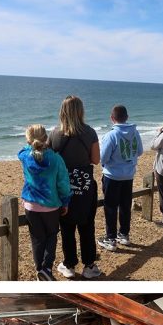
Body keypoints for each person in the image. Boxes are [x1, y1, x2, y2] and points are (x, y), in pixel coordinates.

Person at [48, 95, 102, 279]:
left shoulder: (54, 134)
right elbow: (95, 160)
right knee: (87, 225)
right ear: (81, 111)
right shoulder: (90, 132)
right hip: (85, 186)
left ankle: (69, 264)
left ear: (62, 112)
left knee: (67, 227)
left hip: (63, 187)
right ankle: (89, 265)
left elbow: (49, 161)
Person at [18, 124, 70, 280]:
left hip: (31, 205)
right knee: (51, 235)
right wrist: (65, 201)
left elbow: (22, 151)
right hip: (51, 205)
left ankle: (39, 268)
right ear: (46, 138)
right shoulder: (56, 158)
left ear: (28, 140)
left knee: (37, 238)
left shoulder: (24, 156)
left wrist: (31, 144)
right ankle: (46, 268)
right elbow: (63, 183)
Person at [98, 104, 143, 251]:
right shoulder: (135, 132)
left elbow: (103, 157)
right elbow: (140, 151)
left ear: (112, 118)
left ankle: (110, 238)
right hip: (128, 175)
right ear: (127, 118)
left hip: (112, 175)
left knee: (110, 207)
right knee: (125, 206)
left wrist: (109, 163)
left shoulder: (111, 135)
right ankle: (124, 234)